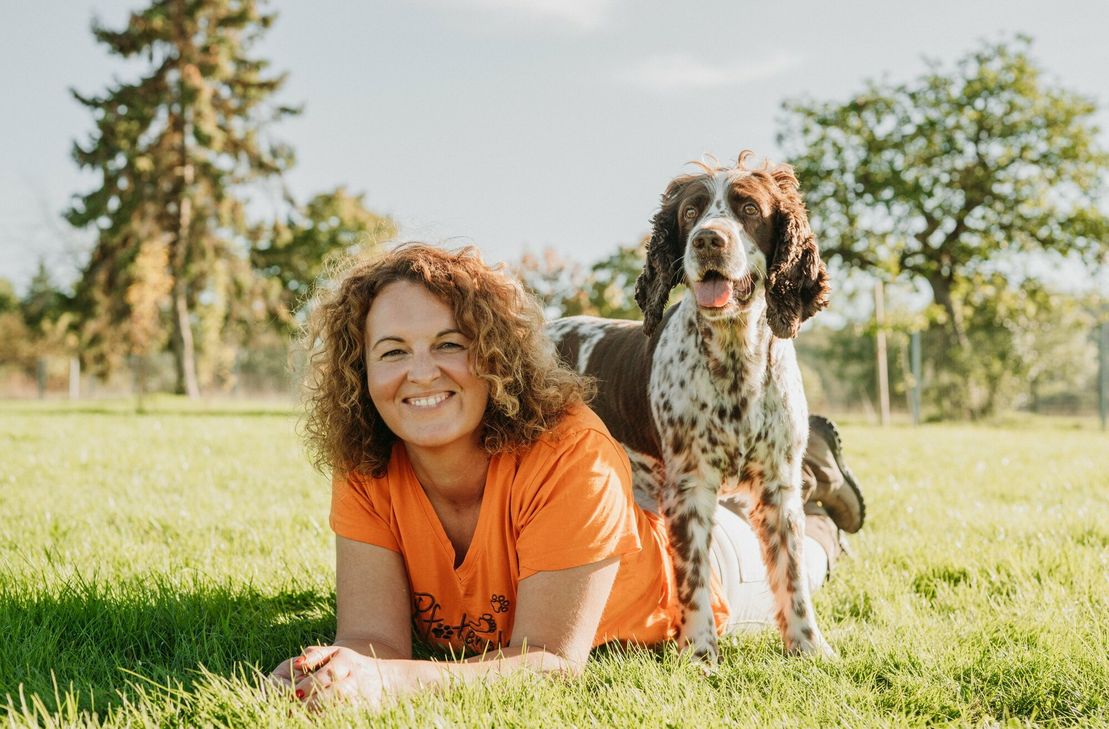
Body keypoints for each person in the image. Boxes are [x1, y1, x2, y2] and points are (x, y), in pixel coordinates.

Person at [269, 243, 865, 709]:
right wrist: (336, 673)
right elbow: (375, 641)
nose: (421, 374)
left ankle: (812, 495)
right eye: (393, 351)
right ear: (360, 370)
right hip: (640, 507)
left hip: (704, 573)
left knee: (797, 554)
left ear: (495, 357)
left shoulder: (569, 453)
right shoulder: (369, 461)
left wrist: (390, 683)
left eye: (449, 344)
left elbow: (550, 662)